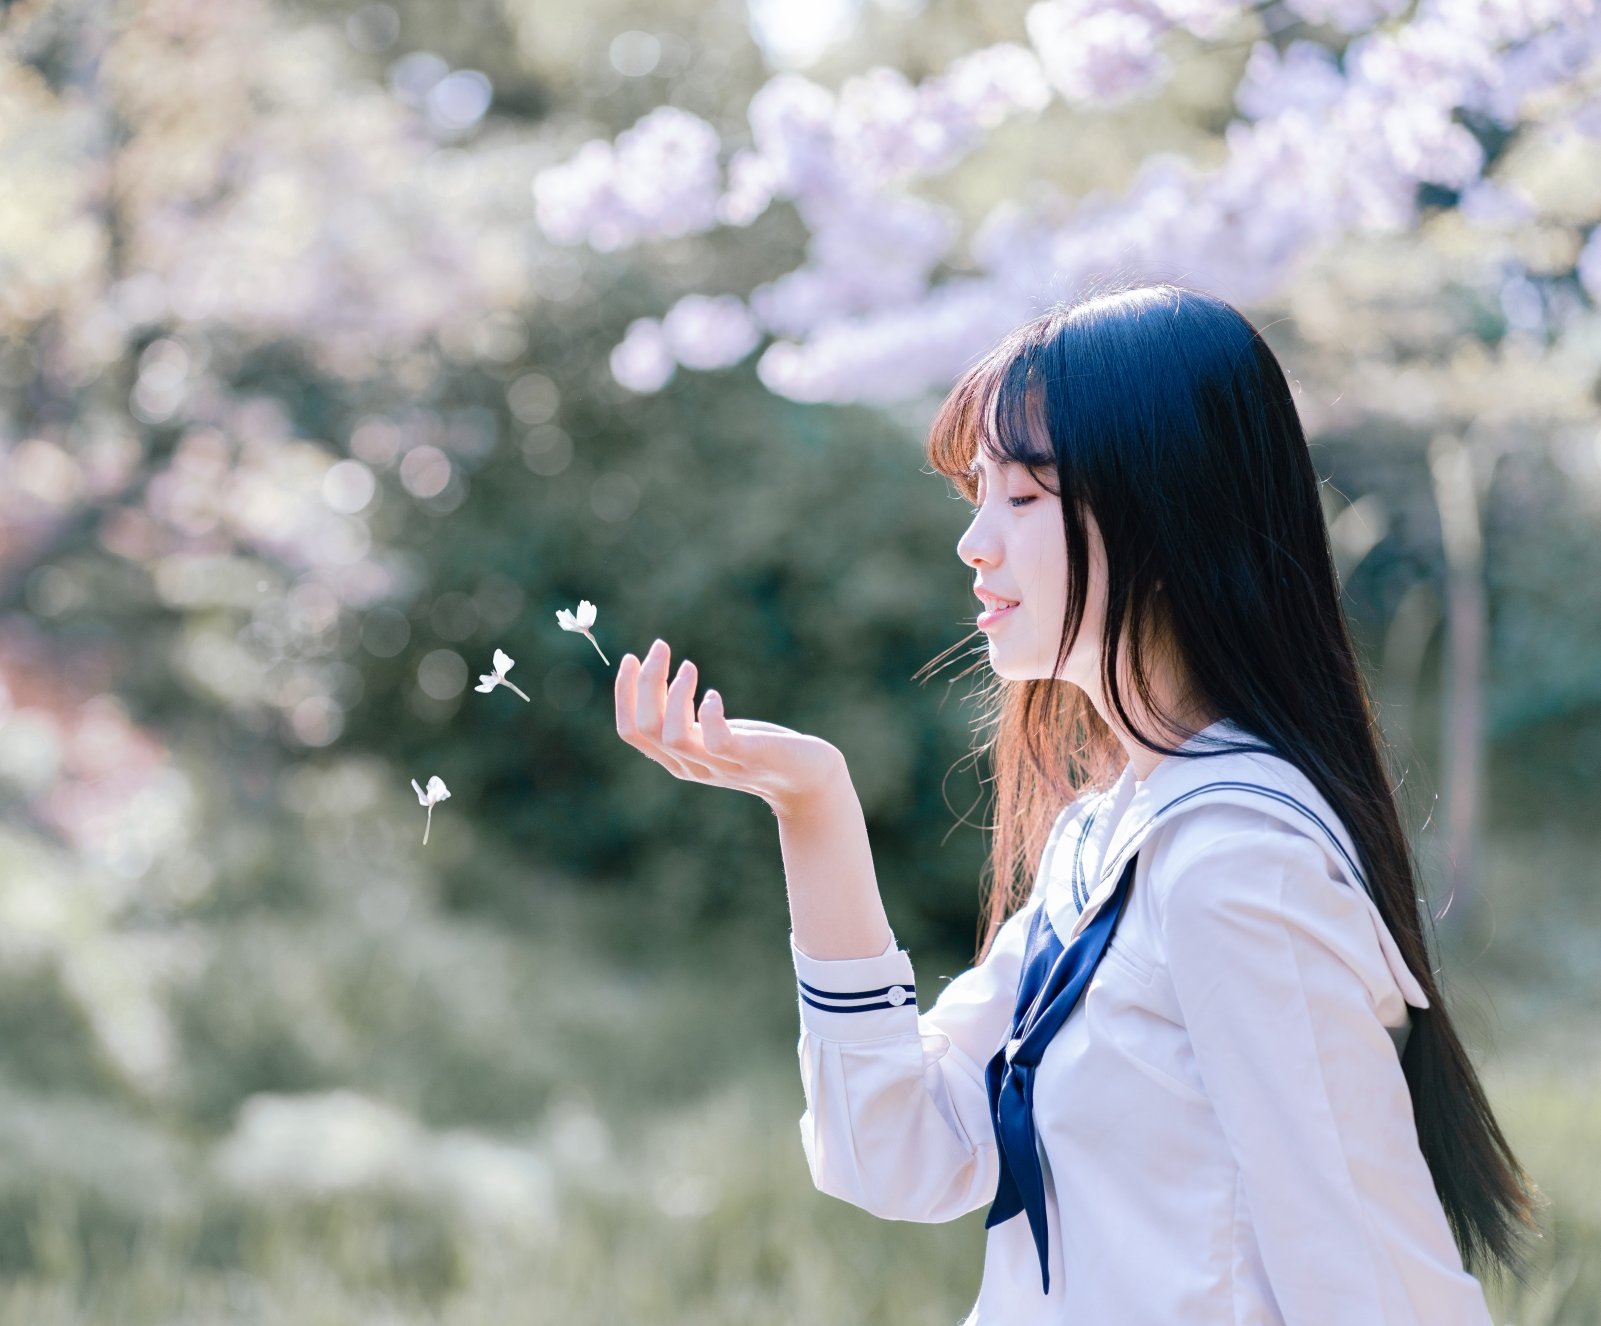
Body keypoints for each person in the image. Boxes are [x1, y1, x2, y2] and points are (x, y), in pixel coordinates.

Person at [612, 285, 1531, 1325]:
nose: (973, 541)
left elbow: (1375, 1291)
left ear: (1166, 508)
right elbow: (892, 1151)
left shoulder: (1233, 861)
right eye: (975, 493)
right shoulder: (1107, 837)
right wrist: (811, 801)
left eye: (1024, 496)